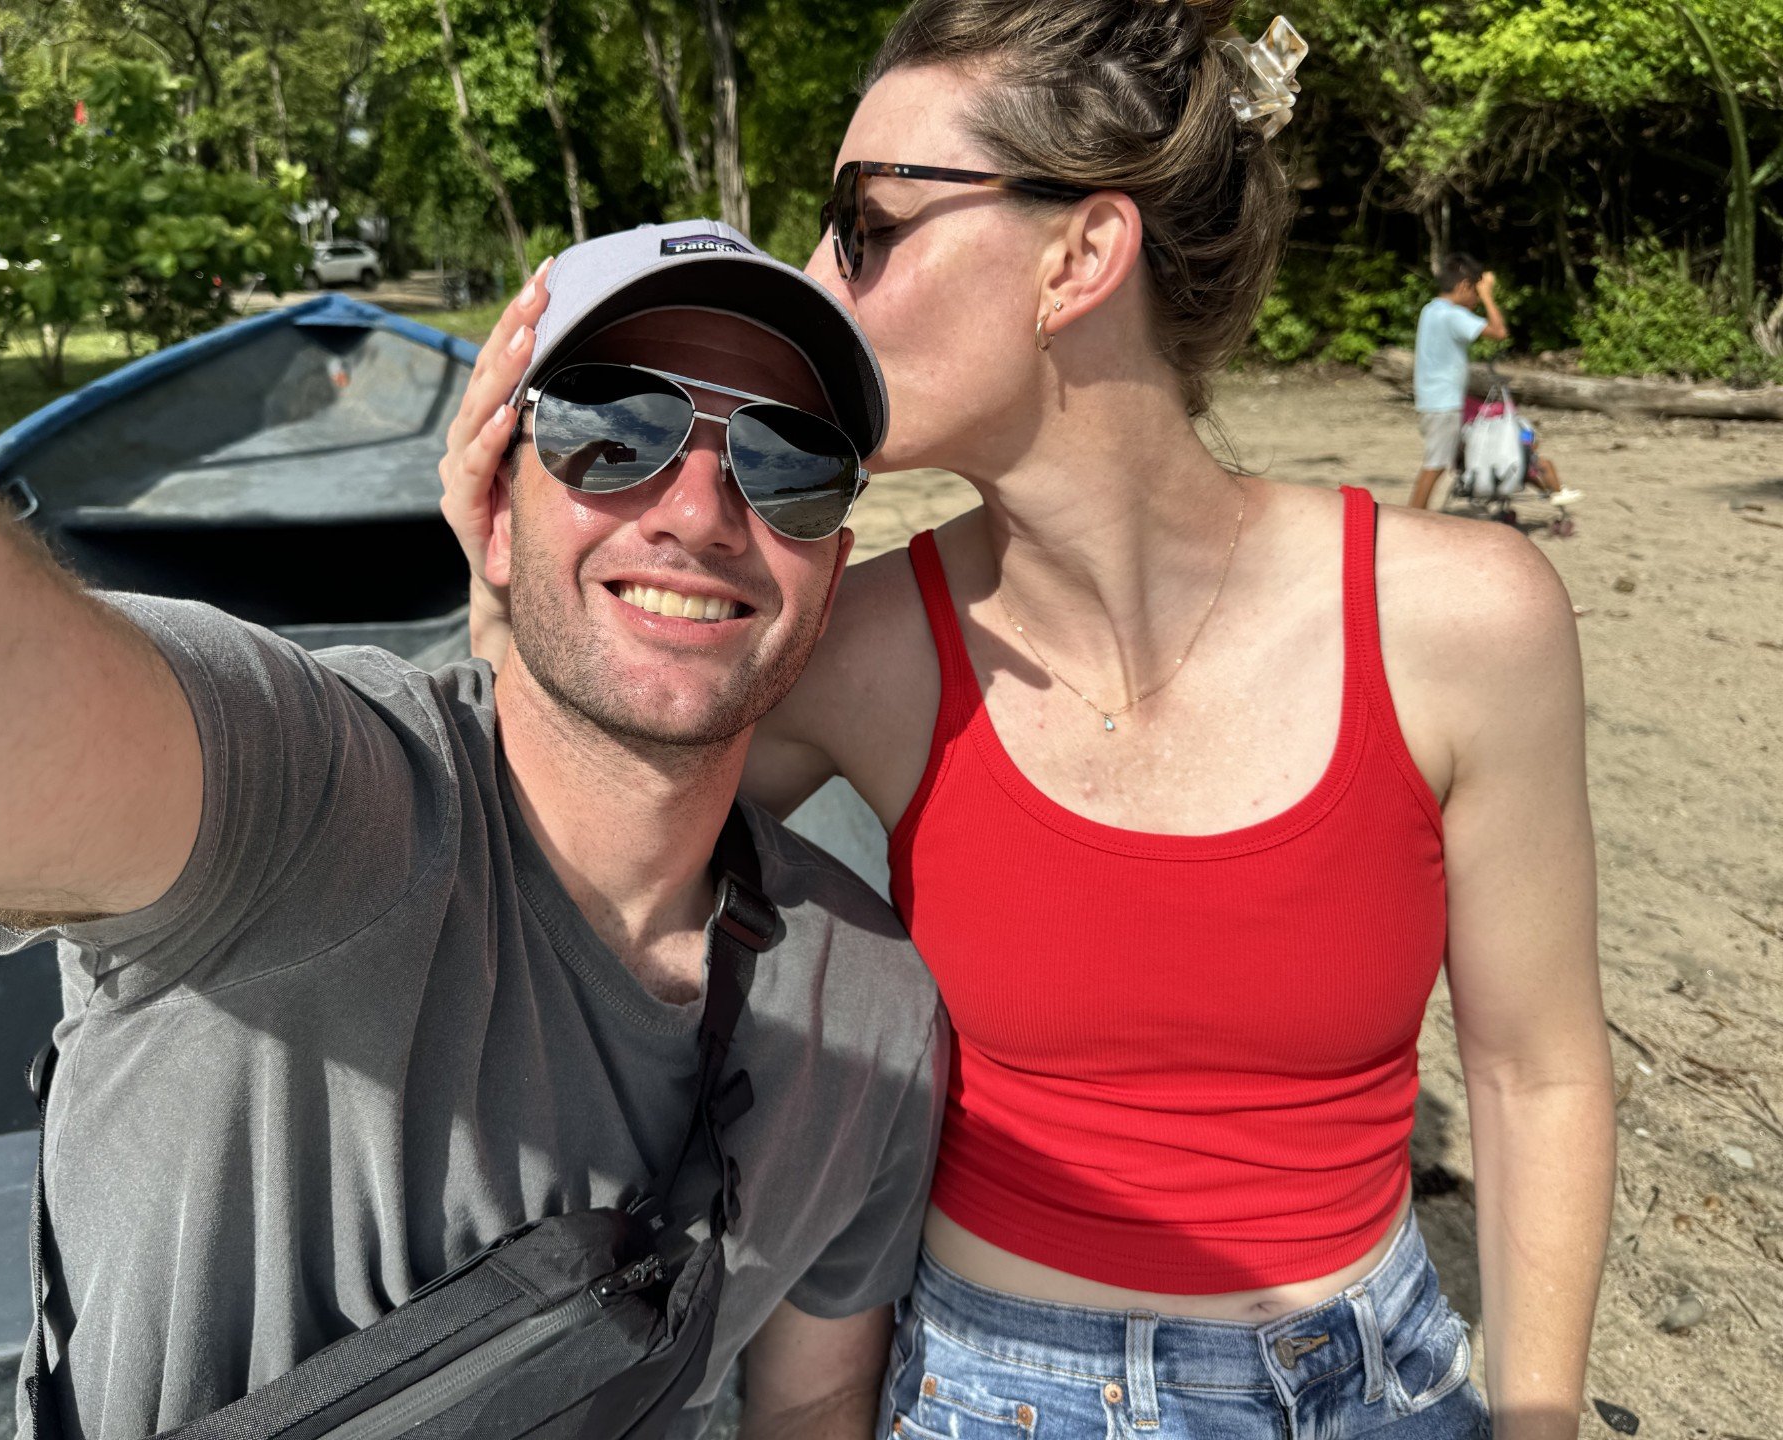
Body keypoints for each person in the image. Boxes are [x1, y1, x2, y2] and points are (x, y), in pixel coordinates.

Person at [439, 3, 1614, 1437]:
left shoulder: (1461, 622)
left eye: (864, 225)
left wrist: (1540, 1413)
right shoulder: (859, 648)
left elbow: (1535, 1067)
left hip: (1377, 1385)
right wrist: (512, 586)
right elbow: (552, 863)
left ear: (1079, 257)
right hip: (995, 1395)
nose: (816, 276)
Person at [0, 223, 949, 1440]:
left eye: (788, 459)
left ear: (833, 561)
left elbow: (811, 1405)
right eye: (611, 430)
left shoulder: (874, 1017)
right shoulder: (310, 802)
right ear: (490, 513)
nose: (700, 510)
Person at [1411, 254, 1583, 511]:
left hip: (1434, 398)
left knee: (1461, 455)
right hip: (1443, 402)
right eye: (1476, 292)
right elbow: (1499, 332)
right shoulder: (1452, 316)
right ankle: (1412, 517)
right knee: (1436, 464)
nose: (1477, 299)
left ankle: (1543, 485)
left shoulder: (1431, 309)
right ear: (1464, 286)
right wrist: (1489, 295)